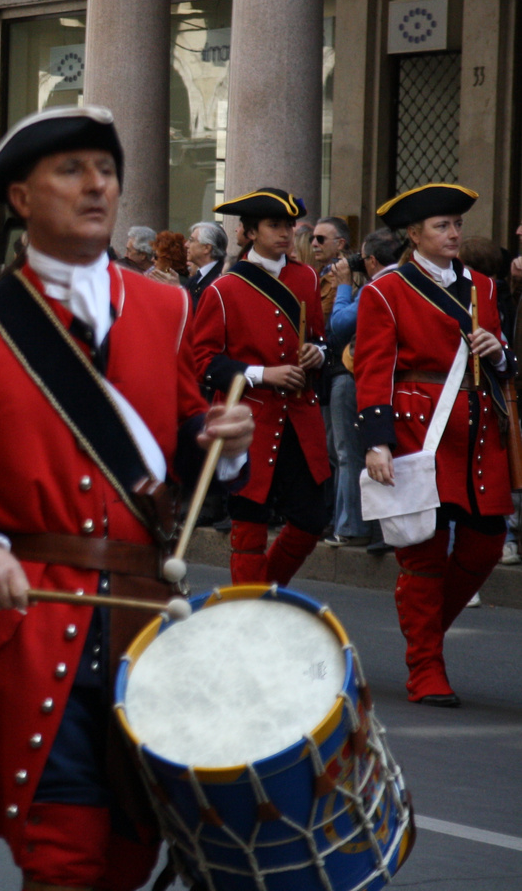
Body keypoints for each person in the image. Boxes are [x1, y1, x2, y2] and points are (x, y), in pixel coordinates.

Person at [0, 105, 253, 891]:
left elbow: (167, 442)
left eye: (107, 171)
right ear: (20, 197)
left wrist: (217, 437)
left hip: (147, 621)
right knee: (63, 858)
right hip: (32, 627)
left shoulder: (166, 307)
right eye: (71, 170)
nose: (97, 187)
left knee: (129, 858)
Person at [356, 183, 511, 707]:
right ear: (414, 234)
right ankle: (425, 668)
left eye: (457, 225)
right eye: (442, 226)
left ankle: (425, 635)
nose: (454, 234)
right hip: (418, 426)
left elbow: (504, 356)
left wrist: (498, 352)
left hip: (479, 429)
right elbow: (374, 370)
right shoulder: (386, 290)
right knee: (421, 550)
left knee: (486, 541)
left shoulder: (485, 288)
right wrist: (377, 443)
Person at [189, 187, 329, 585]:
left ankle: (259, 596)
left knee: (311, 520)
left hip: (299, 419)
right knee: (249, 526)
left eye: (288, 224)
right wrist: (262, 374)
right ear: (249, 231)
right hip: (251, 420)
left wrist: (318, 353)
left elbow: (319, 337)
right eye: (274, 225)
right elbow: (203, 362)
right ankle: (249, 612)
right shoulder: (223, 288)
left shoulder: (305, 277)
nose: (285, 232)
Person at [328, 228, 404, 548]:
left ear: (371, 260)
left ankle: (352, 525)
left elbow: (340, 325)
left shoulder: (380, 285)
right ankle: (380, 528)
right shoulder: (413, 282)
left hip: (359, 376)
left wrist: (344, 286)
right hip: (397, 381)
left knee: (351, 454)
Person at [312, 216, 350, 319]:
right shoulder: (315, 273)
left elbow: (320, 318)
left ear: (340, 243)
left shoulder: (346, 275)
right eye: (313, 238)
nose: (314, 244)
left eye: (320, 239)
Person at [183, 221, 226, 309]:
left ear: (207, 248)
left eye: (191, 240)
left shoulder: (221, 276)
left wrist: (178, 290)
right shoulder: (196, 277)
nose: (186, 245)